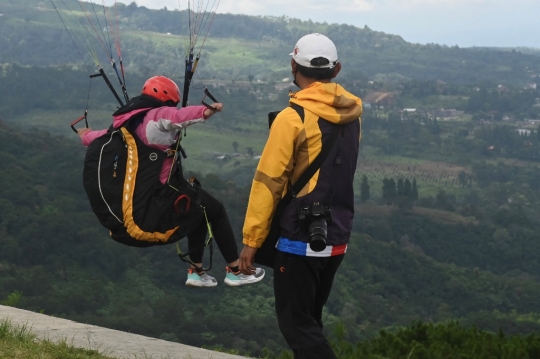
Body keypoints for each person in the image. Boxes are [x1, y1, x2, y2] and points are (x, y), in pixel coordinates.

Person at [239, 34, 362, 358]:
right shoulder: (353, 117)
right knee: (310, 322)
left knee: (296, 324)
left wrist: (251, 241)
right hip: (336, 236)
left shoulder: (292, 118)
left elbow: (268, 182)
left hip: (299, 237)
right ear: (336, 70)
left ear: (293, 66)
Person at [78, 75, 265, 288]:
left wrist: (85, 135)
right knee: (217, 210)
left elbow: (98, 136)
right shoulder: (155, 117)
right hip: (161, 197)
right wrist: (206, 112)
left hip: (146, 198)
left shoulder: (127, 123)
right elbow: (176, 117)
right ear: (167, 99)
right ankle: (235, 270)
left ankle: (196, 272)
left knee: (198, 209)